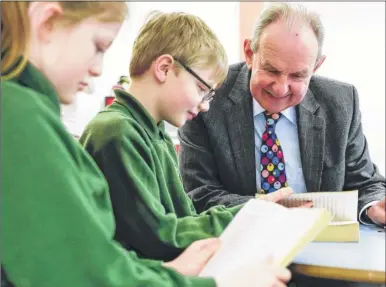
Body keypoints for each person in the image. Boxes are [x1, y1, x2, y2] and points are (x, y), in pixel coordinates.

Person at [1, 2, 291, 287]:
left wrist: (171, 271)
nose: (98, 70)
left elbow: (101, 259)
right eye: (99, 46)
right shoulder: (22, 114)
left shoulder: (156, 135)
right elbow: (93, 272)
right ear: (47, 21)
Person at [178, 3, 386, 226]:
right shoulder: (207, 97)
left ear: (316, 66)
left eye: (297, 76)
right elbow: (199, 193)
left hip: (324, 243)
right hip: (240, 238)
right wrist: (264, 212)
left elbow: (365, 183)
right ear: (249, 53)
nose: (280, 88)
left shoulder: (341, 102)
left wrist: (374, 206)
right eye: (271, 70)